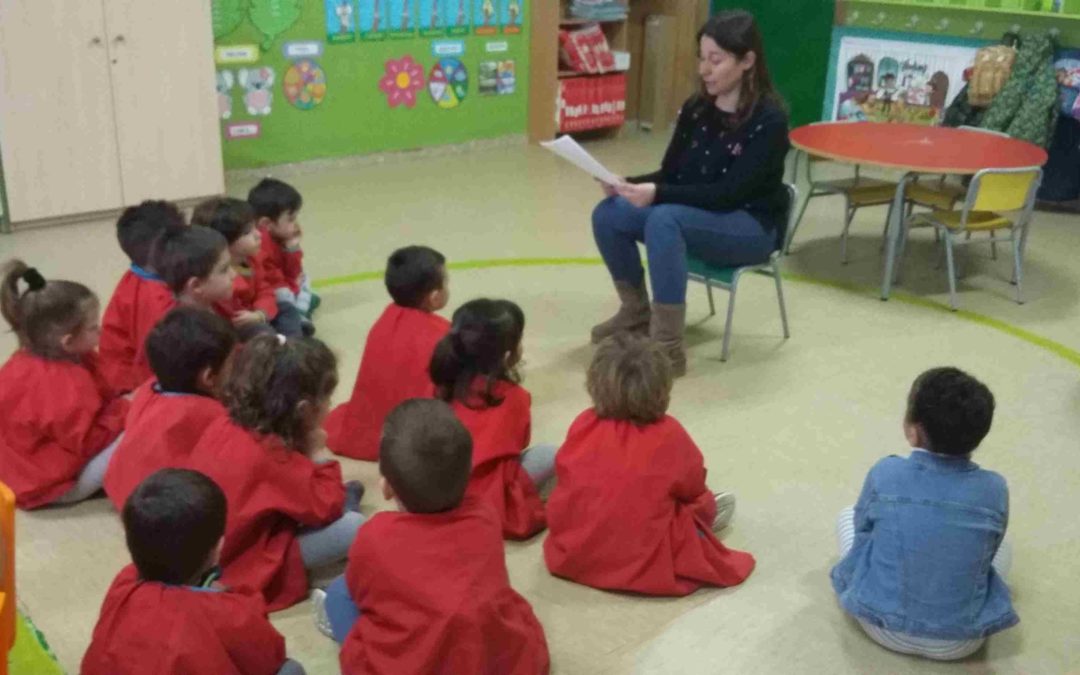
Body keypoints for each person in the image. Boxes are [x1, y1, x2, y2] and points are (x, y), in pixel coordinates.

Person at [589, 10, 790, 375]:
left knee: (666, 218)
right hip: (698, 216)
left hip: (750, 226)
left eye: (716, 60)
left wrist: (657, 193)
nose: (704, 70)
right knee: (610, 212)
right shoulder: (697, 109)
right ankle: (635, 314)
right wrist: (628, 183)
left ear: (747, 61)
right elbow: (672, 175)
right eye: (702, 58)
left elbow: (728, 194)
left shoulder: (769, 120)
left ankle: (667, 348)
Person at [318, 399, 550, 675]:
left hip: (415, 662)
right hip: (487, 654)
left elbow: (362, 592)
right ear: (467, 477)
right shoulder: (486, 517)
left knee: (338, 593)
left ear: (387, 487)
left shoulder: (374, 536)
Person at [544, 333, 755, 596]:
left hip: (575, 555)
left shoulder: (583, 423)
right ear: (661, 388)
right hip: (640, 557)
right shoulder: (669, 434)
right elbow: (693, 487)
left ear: (595, 382)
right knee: (708, 505)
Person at [831, 367, 1018, 660]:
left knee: (846, 517)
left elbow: (863, 527)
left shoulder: (886, 472)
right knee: (1004, 550)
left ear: (912, 430)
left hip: (878, 623)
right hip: (961, 642)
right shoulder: (994, 487)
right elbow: (991, 547)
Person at [184, 335, 365, 611]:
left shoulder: (227, 421)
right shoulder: (271, 453)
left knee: (342, 494)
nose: (329, 406)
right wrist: (317, 452)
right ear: (304, 410)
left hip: (218, 547)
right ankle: (314, 577)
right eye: (327, 399)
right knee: (355, 526)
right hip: (244, 562)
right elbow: (327, 507)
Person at [83, 469, 306, 675]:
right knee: (292, 669)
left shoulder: (123, 583)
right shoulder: (231, 613)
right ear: (218, 549)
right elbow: (268, 658)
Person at [0, 260, 129, 509]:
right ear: (67, 341)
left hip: (20, 472)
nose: (100, 332)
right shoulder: (65, 386)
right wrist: (125, 410)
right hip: (48, 488)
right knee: (137, 427)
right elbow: (88, 442)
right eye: (93, 328)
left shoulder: (24, 359)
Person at [429, 298, 554, 539]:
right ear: (509, 353)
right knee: (549, 453)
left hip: (438, 489)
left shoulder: (442, 383)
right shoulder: (515, 396)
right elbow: (520, 443)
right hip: (490, 497)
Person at [103, 307, 237, 510]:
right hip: (164, 515)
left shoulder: (149, 388)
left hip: (123, 492)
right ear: (209, 377)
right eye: (234, 364)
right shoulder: (211, 417)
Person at [325, 245, 450, 460]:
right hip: (410, 432)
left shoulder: (386, 319)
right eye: (446, 282)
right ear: (435, 297)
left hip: (368, 425)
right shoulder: (442, 333)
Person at [98, 200, 184, 393]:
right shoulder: (156, 301)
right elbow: (153, 362)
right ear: (164, 249)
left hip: (123, 371)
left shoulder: (140, 272)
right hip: (131, 385)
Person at [192, 197, 305, 339]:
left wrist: (260, 313)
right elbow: (231, 316)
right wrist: (255, 318)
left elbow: (265, 289)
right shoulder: (219, 277)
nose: (258, 235)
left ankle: (292, 345)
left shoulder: (252, 259)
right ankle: (279, 348)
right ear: (224, 242)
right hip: (238, 326)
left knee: (287, 309)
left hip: (256, 314)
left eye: (255, 228)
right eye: (247, 233)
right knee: (261, 332)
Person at [248, 178, 319, 332]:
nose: (296, 224)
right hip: (272, 290)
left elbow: (293, 271)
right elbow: (274, 279)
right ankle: (299, 315)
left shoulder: (279, 237)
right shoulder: (260, 245)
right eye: (291, 219)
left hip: (281, 283)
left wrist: (292, 248)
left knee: (305, 279)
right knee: (290, 294)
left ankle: (300, 309)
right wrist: (293, 284)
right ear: (266, 224)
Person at [152, 225, 237, 311]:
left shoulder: (216, 302)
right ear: (196, 285)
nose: (234, 274)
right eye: (224, 270)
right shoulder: (184, 323)